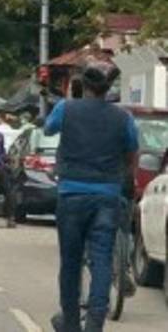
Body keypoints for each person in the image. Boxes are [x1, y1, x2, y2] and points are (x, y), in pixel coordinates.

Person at [46, 61, 138, 332]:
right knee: (101, 259)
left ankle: (71, 322)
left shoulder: (66, 108)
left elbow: (48, 129)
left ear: (82, 85)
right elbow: (132, 151)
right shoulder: (123, 118)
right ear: (109, 89)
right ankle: (95, 324)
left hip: (71, 194)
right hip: (108, 196)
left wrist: (67, 99)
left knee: (71, 260)